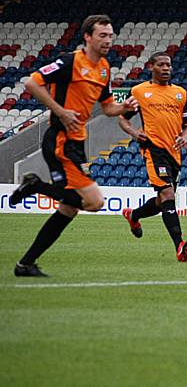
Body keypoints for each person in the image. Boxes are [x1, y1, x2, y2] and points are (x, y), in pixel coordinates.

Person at [9, 14, 138, 277]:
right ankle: (35, 185)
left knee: (69, 208)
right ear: (87, 37)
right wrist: (61, 111)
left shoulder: (104, 68)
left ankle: (25, 264)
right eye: (102, 35)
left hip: (76, 144)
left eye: (111, 35)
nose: (108, 40)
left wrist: (123, 107)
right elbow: (31, 82)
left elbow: (107, 108)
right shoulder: (70, 61)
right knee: (94, 202)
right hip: (60, 140)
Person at [119, 52, 187, 262]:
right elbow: (123, 120)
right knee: (169, 196)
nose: (166, 69)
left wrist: (184, 137)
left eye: (168, 65)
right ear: (151, 66)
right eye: (161, 65)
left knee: (163, 200)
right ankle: (179, 246)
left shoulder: (181, 94)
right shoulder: (140, 91)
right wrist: (135, 133)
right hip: (153, 150)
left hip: (174, 153)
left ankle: (133, 215)